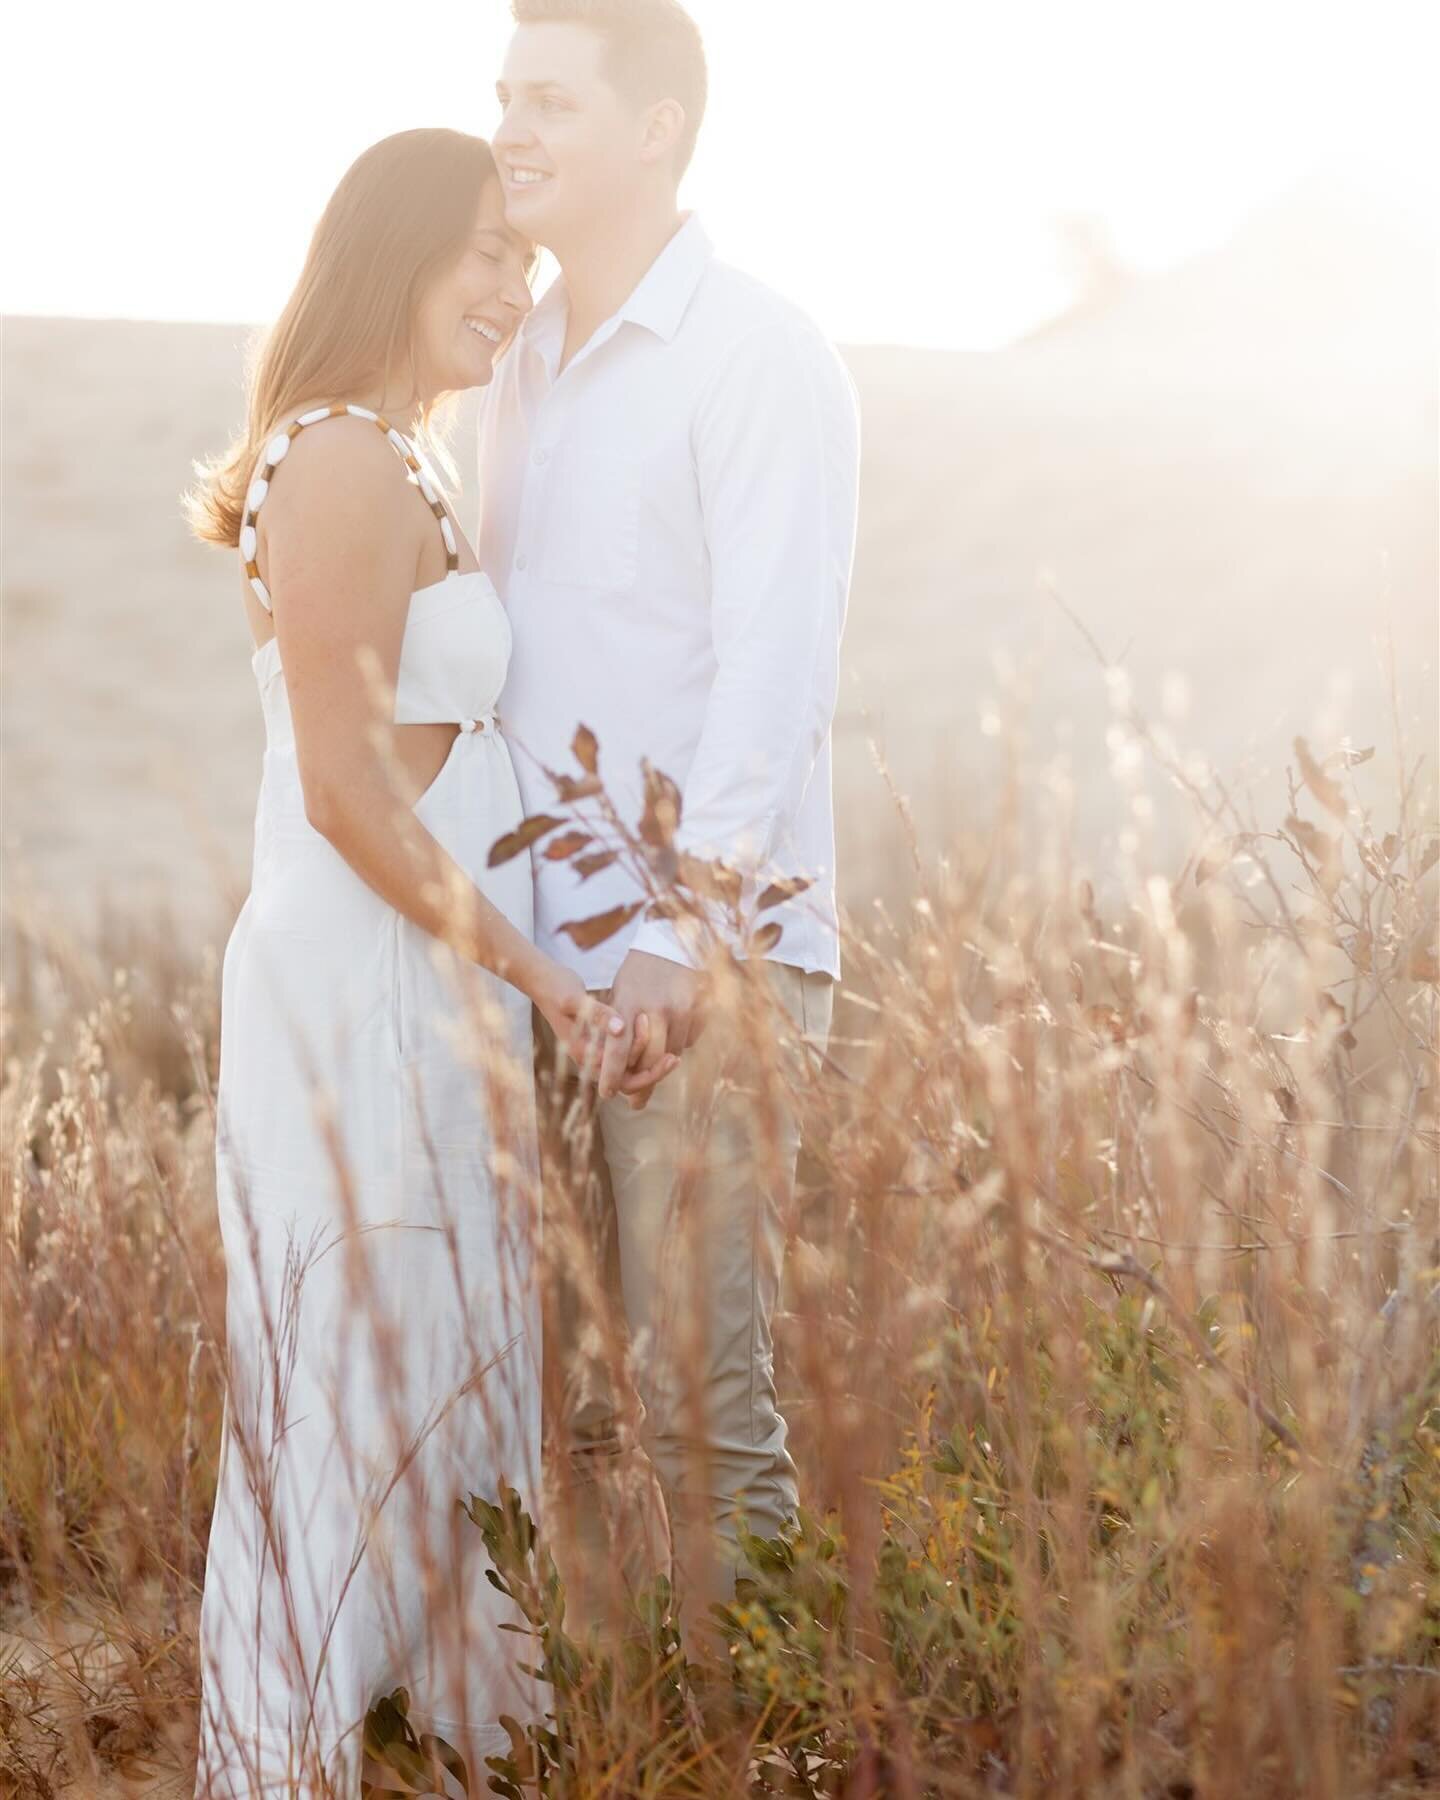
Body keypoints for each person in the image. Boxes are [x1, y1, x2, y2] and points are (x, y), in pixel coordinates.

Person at [186, 128, 676, 1795]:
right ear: (386, 258)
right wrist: (548, 982)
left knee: (441, 1379)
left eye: (521, 257)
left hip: (434, 977)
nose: (511, 284)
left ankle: (451, 1756)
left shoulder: (409, 455)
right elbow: (342, 792)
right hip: (362, 983)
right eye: (480, 251)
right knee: (355, 1391)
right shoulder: (328, 454)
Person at [476, 0, 862, 1658]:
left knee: (703, 1399)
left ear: (658, 128)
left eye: (549, 98)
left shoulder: (758, 354)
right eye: (503, 95)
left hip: (701, 963)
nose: (510, 130)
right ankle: (606, 1734)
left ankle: (766, 1742)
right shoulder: (498, 363)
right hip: (528, 974)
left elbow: (773, 671)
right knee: (544, 1403)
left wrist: (676, 936)